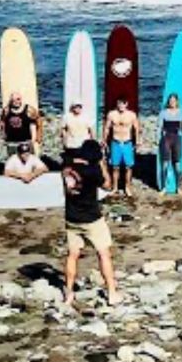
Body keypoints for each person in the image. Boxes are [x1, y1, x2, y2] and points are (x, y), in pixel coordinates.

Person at [62, 139, 122, 308]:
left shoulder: (67, 168)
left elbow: (68, 156)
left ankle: (69, 293)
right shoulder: (93, 171)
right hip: (91, 218)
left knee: (72, 255)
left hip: (71, 217)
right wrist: (102, 163)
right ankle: (111, 292)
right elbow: (108, 186)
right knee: (103, 253)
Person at [104, 96, 140, 197]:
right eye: (119, 103)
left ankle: (127, 187)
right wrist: (104, 140)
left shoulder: (131, 115)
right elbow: (107, 128)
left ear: (126, 104)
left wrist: (137, 141)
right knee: (115, 167)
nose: (121, 106)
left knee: (129, 167)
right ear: (117, 104)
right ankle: (115, 187)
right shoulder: (112, 114)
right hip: (115, 142)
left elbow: (136, 128)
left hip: (127, 143)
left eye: (123, 103)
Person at [158, 93, 182, 194]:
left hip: (177, 139)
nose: (172, 102)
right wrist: (157, 139)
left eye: (174, 100)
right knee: (164, 164)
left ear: (177, 102)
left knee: (177, 164)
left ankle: (179, 187)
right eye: (170, 100)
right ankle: (164, 188)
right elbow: (159, 127)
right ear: (168, 102)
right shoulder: (163, 113)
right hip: (166, 139)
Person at [0, 91, 39, 158]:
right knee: (13, 162)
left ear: (21, 99)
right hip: (12, 142)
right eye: (13, 100)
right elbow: (2, 122)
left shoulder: (29, 110)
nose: (16, 101)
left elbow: (34, 124)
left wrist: (34, 139)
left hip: (25, 141)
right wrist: (3, 135)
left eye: (18, 99)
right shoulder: (6, 110)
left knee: (28, 162)